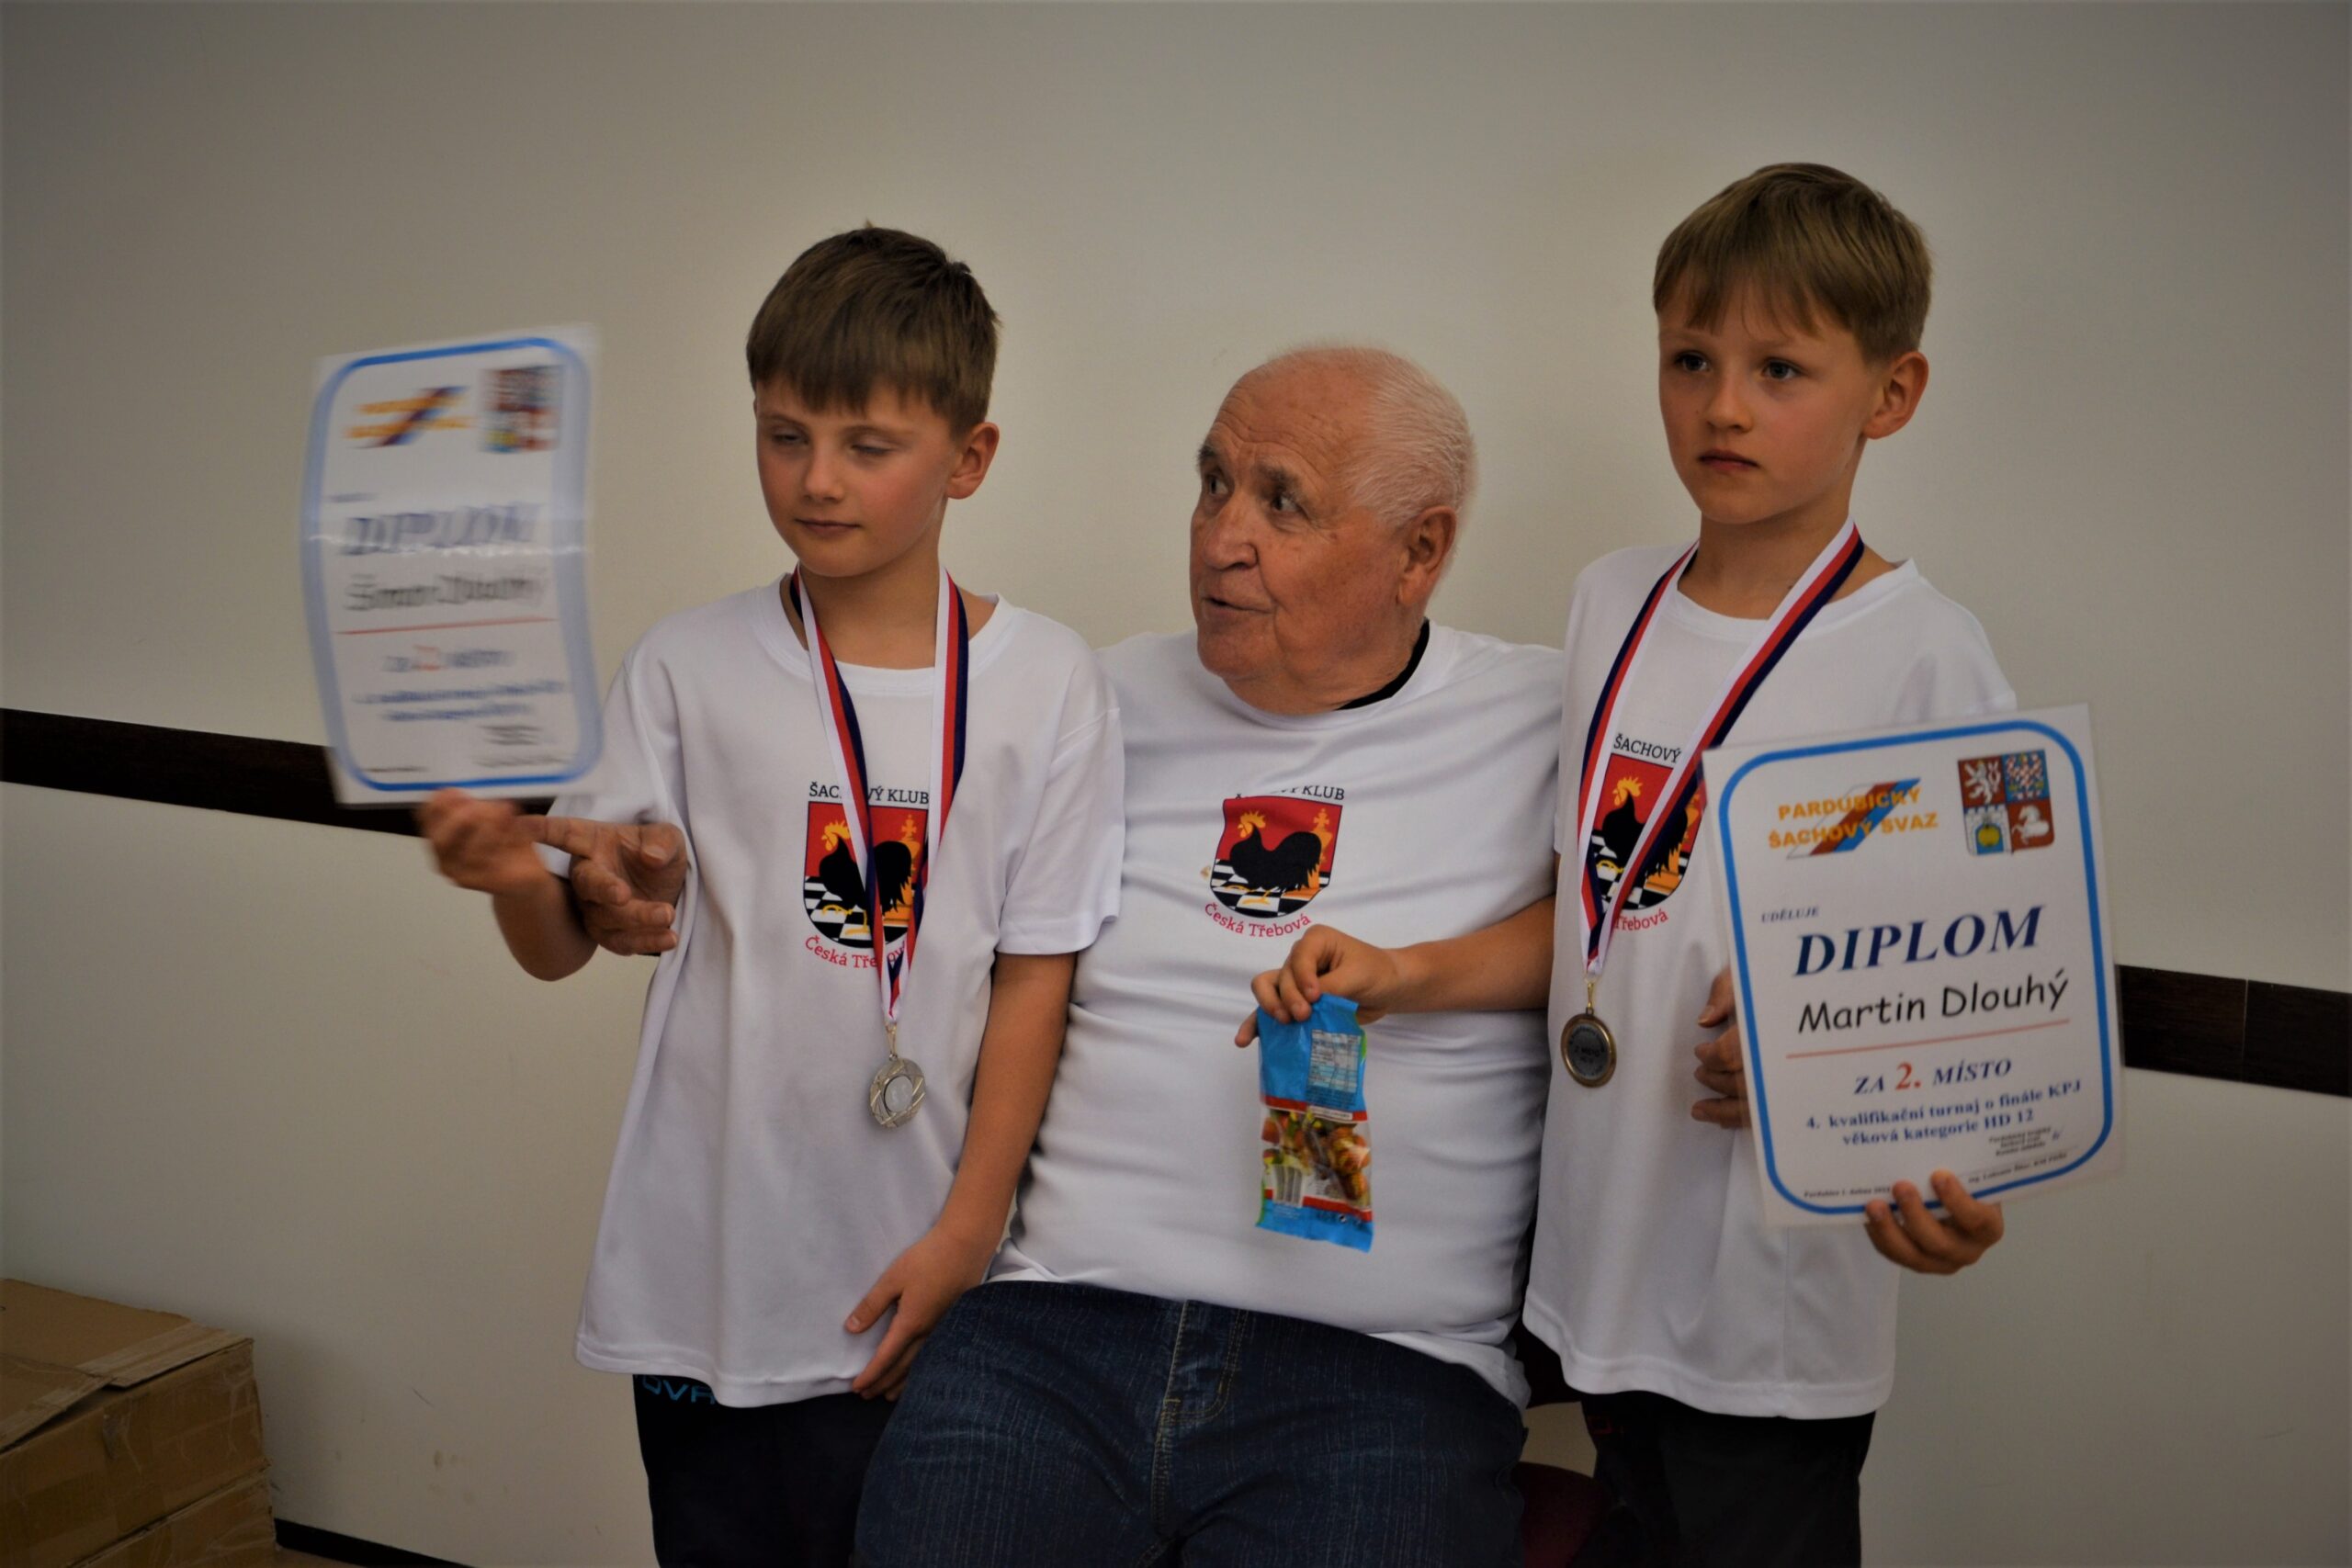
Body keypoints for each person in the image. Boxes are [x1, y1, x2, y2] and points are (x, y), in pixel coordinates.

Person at [1253, 165, 2013, 1566]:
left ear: (1891, 393)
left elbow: (1983, 986)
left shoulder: (1926, 655)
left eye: (1781, 369)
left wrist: (1925, 1150)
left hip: (1766, 1309)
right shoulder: (1614, 601)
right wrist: (1406, 971)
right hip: (1601, 1266)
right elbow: (1601, 912)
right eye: (1691, 360)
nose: (1724, 406)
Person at [416, 226, 1125, 1567]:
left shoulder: (1048, 683)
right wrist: (516, 873)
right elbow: (568, 944)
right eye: (783, 435)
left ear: (969, 457)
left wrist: (968, 1234)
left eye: (869, 445)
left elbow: (1038, 975)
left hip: (919, 1263)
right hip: (708, 1275)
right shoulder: (686, 665)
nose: (816, 479)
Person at [854, 346, 1561, 1567]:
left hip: (1388, 1369)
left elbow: (1646, 930)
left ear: (1420, 551)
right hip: (1058, 1325)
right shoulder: (1095, 697)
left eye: (1283, 503)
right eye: (1213, 482)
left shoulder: (1548, 716)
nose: (1222, 538)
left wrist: (1415, 971)